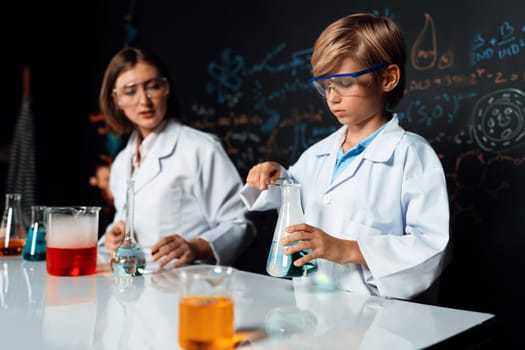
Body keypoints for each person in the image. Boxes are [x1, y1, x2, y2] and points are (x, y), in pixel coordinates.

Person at [241, 13, 449, 300]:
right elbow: (299, 200)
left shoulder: (411, 155)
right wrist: (279, 177)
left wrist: (348, 249)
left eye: (345, 83)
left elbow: (431, 247)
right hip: (313, 307)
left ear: (388, 78)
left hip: (380, 321)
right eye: (326, 86)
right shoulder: (317, 154)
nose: (333, 98)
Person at [98, 46, 255, 269]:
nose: (144, 100)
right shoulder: (123, 162)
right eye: (130, 91)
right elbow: (125, 222)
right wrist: (115, 235)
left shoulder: (200, 148)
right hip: (134, 284)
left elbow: (240, 223)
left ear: (166, 89)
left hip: (187, 284)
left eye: (153, 87)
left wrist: (196, 247)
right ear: (116, 100)